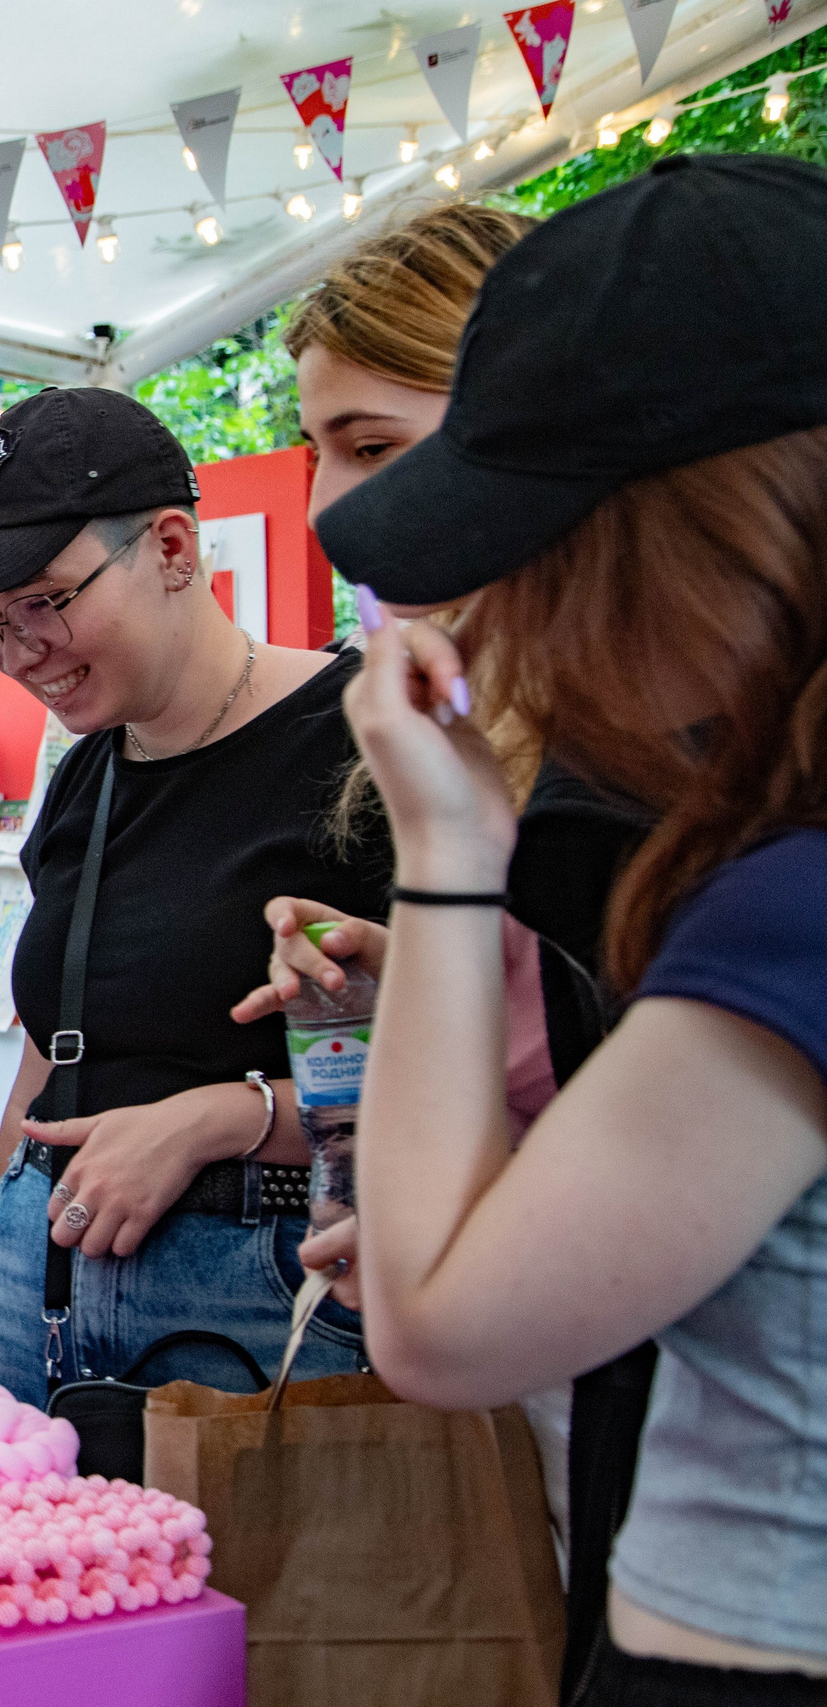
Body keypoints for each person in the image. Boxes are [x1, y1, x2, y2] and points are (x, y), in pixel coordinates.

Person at [303, 155, 827, 1700]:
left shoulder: (789, 902)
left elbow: (444, 1322)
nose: (510, 609)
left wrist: (447, 858)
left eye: (539, 548)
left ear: (693, 533)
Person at [0, 386, 390, 1409]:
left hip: (267, 1290)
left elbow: (486, 1082)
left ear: (170, 548)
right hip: (44, 1276)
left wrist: (224, 1118)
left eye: (47, 602)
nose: (19, 653)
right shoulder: (87, 772)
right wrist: (5, 1233)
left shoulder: (366, 746)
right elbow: (52, 1037)